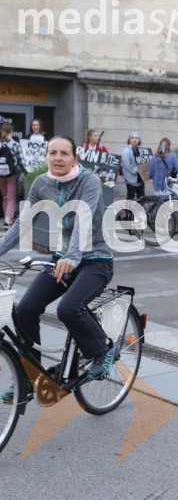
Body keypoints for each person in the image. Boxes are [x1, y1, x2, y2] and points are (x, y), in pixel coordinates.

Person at [0, 136, 118, 403]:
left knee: (68, 308)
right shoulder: (42, 184)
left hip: (96, 259)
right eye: (53, 153)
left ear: (75, 159)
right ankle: (30, 380)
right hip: (62, 258)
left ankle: (104, 349)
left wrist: (73, 256)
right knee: (25, 309)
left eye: (64, 153)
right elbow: (23, 222)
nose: (58, 158)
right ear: (46, 157)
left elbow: (84, 218)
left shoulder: (89, 181)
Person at [0, 123, 25, 230]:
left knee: (5, 197)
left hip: (0, 174)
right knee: (11, 198)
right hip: (12, 174)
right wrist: (26, 171)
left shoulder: (1, 144)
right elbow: (21, 161)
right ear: (11, 132)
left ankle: (7, 218)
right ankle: (8, 220)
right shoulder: (15, 145)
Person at [120, 132, 145, 200]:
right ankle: (129, 210)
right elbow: (126, 164)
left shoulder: (142, 151)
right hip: (130, 177)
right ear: (129, 139)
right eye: (132, 138)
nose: (135, 139)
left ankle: (139, 209)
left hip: (140, 176)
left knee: (141, 195)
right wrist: (136, 169)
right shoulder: (126, 150)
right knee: (131, 195)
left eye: (137, 138)